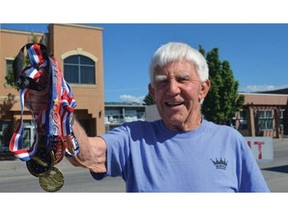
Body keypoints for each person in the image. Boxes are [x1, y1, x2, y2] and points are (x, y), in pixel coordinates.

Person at [26, 42, 270, 192]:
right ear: (153, 92)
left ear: (204, 88)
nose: (172, 89)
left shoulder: (230, 140)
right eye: (162, 82)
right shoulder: (134, 138)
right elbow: (88, 153)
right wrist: (55, 109)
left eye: (183, 79)